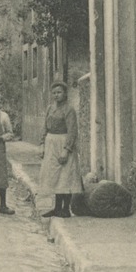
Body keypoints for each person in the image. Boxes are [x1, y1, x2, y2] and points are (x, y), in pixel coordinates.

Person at [38, 79, 83, 218]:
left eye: (59, 92)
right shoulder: (50, 108)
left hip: (63, 142)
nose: (56, 95)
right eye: (54, 93)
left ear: (65, 94)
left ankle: (65, 209)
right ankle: (56, 208)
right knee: (54, 176)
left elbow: (72, 131)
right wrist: (42, 144)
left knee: (65, 175)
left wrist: (66, 149)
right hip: (51, 143)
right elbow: (45, 126)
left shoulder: (69, 110)